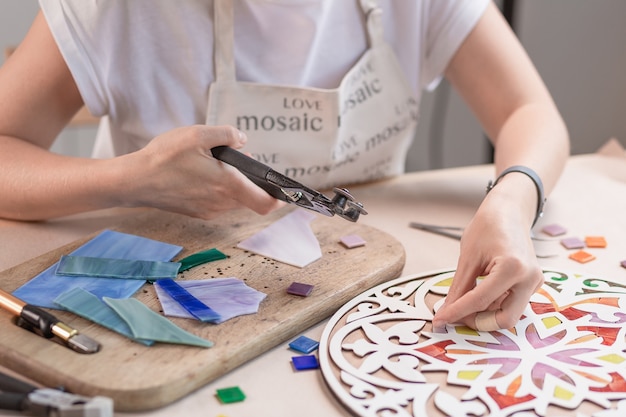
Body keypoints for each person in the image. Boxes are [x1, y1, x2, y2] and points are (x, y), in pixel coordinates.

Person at [0, 0, 569, 331]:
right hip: (166, 291)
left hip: (357, 291)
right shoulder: (116, 10)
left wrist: (514, 200)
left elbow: (530, 110)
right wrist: (129, 179)